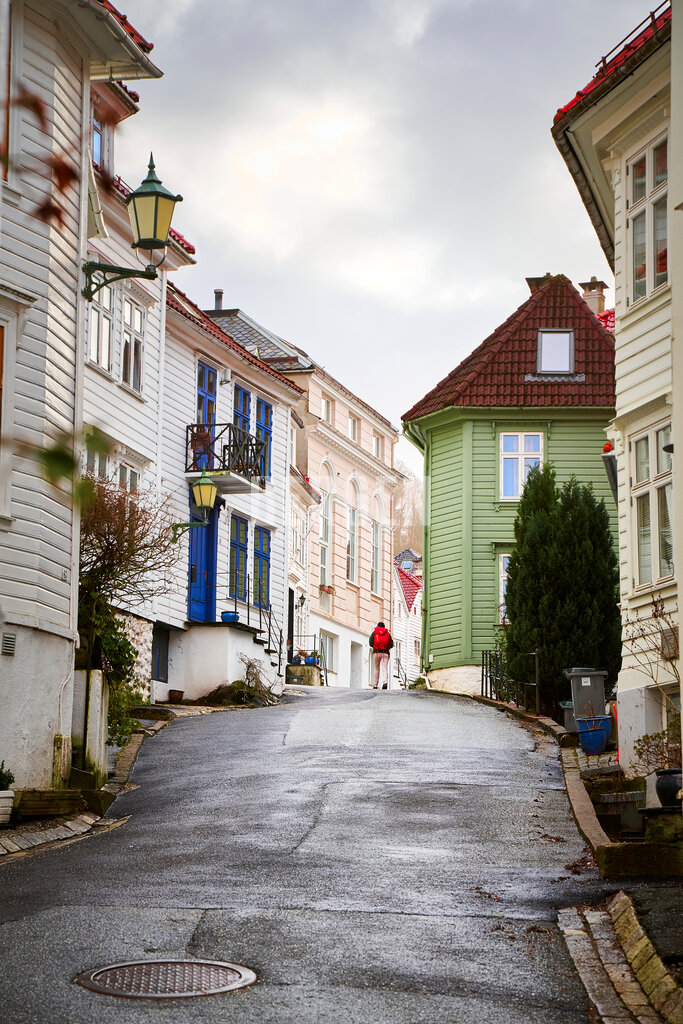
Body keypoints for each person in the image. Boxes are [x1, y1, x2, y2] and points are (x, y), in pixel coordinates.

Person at [369, 621, 393, 689]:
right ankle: (385, 682)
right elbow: (391, 644)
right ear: (384, 627)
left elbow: (370, 643)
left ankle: (375, 685)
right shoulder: (387, 633)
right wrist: (387, 648)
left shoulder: (374, 633)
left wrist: (375, 647)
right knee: (384, 668)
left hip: (376, 652)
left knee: (376, 668)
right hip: (385, 653)